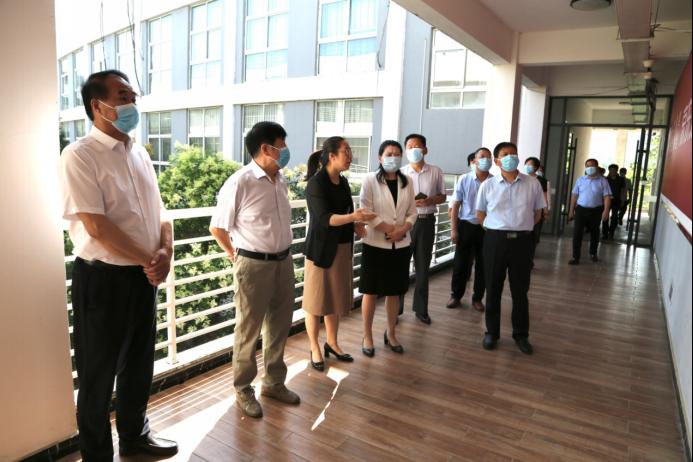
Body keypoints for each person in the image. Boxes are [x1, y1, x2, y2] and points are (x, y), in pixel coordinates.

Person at [60, 70, 178, 460]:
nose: (132, 104)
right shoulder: (80, 155)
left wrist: (166, 252)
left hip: (143, 276)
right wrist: (150, 259)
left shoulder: (139, 153)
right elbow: (96, 225)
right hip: (103, 279)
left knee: (138, 364)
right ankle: (97, 455)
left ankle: (134, 436)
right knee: (97, 373)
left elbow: (160, 212)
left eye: (133, 97)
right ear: (98, 105)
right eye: (123, 96)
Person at [210, 121, 300, 419]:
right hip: (253, 264)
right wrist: (233, 254)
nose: (286, 150)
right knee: (248, 329)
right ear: (266, 148)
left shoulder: (280, 180)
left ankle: (273, 383)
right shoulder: (240, 181)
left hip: (283, 261)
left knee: (279, 325)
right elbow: (218, 227)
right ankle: (243, 388)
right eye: (282, 145)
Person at [302, 137, 374, 371]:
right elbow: (325, 219)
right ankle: (314, 347)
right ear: (331, 156)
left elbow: (346, 212)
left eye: (350, 150)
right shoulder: (316, 184)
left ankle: (332, 343)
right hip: (321, 250)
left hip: (342, 248)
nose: (350, 155)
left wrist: (356, 225)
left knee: (334, 299)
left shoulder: (342, 182)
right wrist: (354, 217)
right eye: (346, 151)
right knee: (315, 302)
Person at [475, 142, 545, 355]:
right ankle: (491, 333)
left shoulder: (532, 183)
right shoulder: (488, 185)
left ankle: (521, 335)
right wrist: (495, 230)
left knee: (520, 291)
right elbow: (480, 214)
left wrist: (522, 228)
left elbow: (538, 212)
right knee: (493, 288)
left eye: (513, 153)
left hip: (522, 242)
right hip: (495, 241)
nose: (510, 157)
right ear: (497, 161)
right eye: (505, 154)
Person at [359, 140, 417, 356]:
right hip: (375, 243)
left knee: (394, 291)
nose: (393, 157)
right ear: (380, 158)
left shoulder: (407, 181)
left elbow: (413, 212)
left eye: (397, 154)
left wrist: (402, 230)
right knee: (370, 291)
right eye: (389, 154)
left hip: (400, 244)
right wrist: (389, 229)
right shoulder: (369, 179)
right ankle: (367, 335)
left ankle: (391, 333)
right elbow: (366, 210)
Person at [398, 133, 446, 325]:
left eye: (417, 146)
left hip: (426, 222)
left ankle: (421, 310)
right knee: (400, 267)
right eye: (409, 147)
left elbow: (442, 196)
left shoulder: (435, 171)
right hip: (405, 223)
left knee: (423, 268)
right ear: (405, 151)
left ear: (425, 149)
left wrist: (430, 200)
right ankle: (396, 309)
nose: (413, 150)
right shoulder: (400, 172)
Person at [447, 147, 493, 311]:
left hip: (486, 228)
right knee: (460, 264)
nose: (486, 159)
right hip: (466, 226)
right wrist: (454, 229)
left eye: (489, 157)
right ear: (474, 160)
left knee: (483, 265)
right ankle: (456, 295)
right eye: (482, 156)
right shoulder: (464, 179)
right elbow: (455, 206)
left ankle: (477, 298)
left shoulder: (494, 181)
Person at [567, 159, 612, 264]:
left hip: (596, 211)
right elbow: (574, 196)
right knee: (577, 233)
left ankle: (593, 253)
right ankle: (575, 257)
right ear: (585, 167)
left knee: (595, 232)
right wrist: (571, 210)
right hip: (581, 210)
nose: (590, 168)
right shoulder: (580, 180)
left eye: (592, 166)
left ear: (597, 167)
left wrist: (606, 211)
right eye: (587, 166)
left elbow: (607, 197)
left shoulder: (603, 181)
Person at [524, 157, 549, 266]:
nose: (527, 167)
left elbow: (544, 197)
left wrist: (546, 211)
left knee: (533, 237)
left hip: (536, 212)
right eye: (526, 164)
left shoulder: (541, 181)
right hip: (523, 212)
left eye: (530, 165)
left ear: (536, 167)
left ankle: (529, 260)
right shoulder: (522, 178)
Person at [602, 164, 625, 239]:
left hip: (616, 200)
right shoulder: (605, 179)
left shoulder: (621, 180)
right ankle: (605, 233)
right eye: (610, 170)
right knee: (605, 216)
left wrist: (623, 200)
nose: (612, 171)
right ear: (609, 170)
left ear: (616, 171)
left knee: (614, 217)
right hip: (606, 200)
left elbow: (623, 191)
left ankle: (611, 232)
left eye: (614, 170)